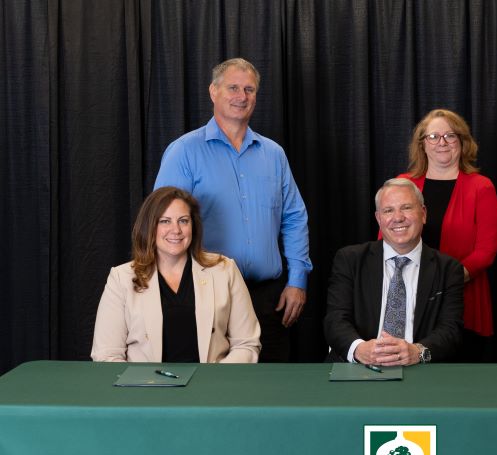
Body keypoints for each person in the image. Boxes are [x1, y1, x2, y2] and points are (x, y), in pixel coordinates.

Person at [154, 57, 311, 362]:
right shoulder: (184, 152)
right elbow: (163, 224)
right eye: (233, 88)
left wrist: (297, 280)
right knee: (212, 385)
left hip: (269, 299)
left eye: (249, 89)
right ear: (213, 91)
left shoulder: (273, 154)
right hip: (207, 293)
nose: (242, 96)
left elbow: (294, 217)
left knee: (272, 380)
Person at [91, 187, 261, 363]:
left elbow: (246, 344)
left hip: (213, 379)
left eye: (183, 221)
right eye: (165, 221)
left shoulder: (225, 270)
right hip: (145, 381)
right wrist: (143, 380)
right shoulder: (121, 278)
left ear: (193, 226)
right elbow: (106, 355)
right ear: (149, 226)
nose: (176, 230)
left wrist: (214, 377)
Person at [398, 109, 497, 362]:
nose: (441, 142)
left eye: (450, 136)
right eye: (433, 136)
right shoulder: (403, 185)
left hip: (464, 299)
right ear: (422, 144)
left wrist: (447, 281)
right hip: (408, 299)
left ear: (462, 142)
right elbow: (386, 240)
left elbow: (486, 251)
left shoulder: (481, 187)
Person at [324, 178, 463, 365]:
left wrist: (418, 352)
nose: (398, 218)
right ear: (378, 218)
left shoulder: (448, 269)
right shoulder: (350, 260)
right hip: (358, 367)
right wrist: (359, 349)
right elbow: (335, 320)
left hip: (419, 369)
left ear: (423, 214)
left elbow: (451, 330)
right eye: (388, 210)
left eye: (406, 208)